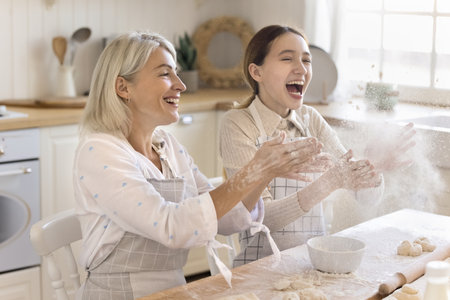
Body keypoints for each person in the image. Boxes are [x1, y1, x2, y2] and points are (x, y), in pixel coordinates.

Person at [73, 31, 327, 299]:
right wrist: (254, 171)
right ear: (123, 88)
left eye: (177, 73)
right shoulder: (98, 152)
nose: (181, 85)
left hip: (175, 291)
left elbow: (226, 221)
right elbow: (171, 226)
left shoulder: (168, 147)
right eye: (164, 74)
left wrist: (263, 174)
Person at [219, 25, 415, 267]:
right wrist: (328, 183)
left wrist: (373, 168)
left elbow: (366, 198)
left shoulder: (310, 119)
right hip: (260, 268)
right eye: (287, 58)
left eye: (306, 60)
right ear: (256, 72)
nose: (301, 69)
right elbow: (258, 219)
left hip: (314, 264)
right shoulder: (239, 124)